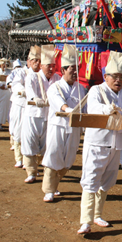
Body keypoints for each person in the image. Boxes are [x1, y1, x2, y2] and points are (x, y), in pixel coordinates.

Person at [78, 51, 122, 235]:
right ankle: (85, 221)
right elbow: (93, 108)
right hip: (97, 143)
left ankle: (98, 214)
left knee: (107, 180)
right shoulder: (96, 90)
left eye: (121, 76)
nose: (118, 80)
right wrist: (109, 108)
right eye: (114, 76)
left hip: (116, 144)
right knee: (91, 179)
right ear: (106, 76)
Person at [42, 44, 87, 202]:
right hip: (58, 127)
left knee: (68, 159)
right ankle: (49, 189)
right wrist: (69, 110)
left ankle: (54, 184)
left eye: (77, 69)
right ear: (63, 71)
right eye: (71, 69)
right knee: (53, 156)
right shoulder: (54, 88)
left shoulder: (81, 89)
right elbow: (60, 104)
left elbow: (86, 108)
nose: (75, 72)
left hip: (74, 129)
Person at [21, 45, 60, 183]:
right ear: (42, 65)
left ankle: (45, 171)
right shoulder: (32, 76)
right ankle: (31, 171)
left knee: (47, 145)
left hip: (49, 116)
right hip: (33, 115)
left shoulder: (57, 79)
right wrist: (34, 99)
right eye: (48, 66)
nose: (51, 69)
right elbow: (30, 91)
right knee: (30, 142)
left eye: (53, 66)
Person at [9, 58, 30, 166]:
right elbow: (16, 84)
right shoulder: (20, 72)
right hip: (20, 104)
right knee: (18, 130)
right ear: (28, 60)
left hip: (32, 107)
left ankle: (28, 161)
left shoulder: (39, 73)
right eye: (33, 60)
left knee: (29, 134)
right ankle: (18, 158)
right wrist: (25, 91)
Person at [7, 59, 23, 151]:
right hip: (16, 99)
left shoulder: (24, 71)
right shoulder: (16, 73)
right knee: (14, 121)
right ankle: (14, 142)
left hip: (24, 102)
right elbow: (10, 82)